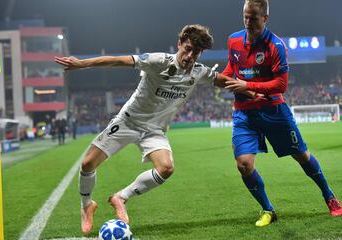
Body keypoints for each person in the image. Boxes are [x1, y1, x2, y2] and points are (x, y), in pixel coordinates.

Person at [55, 24, 241, 235]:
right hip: (128, 122)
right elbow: (117, 60)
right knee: (88, 163)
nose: (190, 56)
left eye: (196, 52)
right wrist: (81, 64)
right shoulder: (159, 61)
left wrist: (250, 89)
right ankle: (86, 205)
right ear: (179, 44)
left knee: (166, 168)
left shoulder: (198, 72)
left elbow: (222, 81)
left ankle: (121, 197)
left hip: (154, 130)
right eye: (187, 48)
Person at [221, 0, 342, 227]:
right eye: (245, 17)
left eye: (253, 18)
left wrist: (247, 86)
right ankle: (268, 209)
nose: (248, 22)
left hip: (274, 111)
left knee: (301, 155)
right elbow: (230, 70)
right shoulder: (234, 40)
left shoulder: (276, 46)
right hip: (244, 114)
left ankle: (330, 197)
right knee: (243, 164)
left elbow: (280, 85)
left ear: (265, 18)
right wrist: (214, 77)